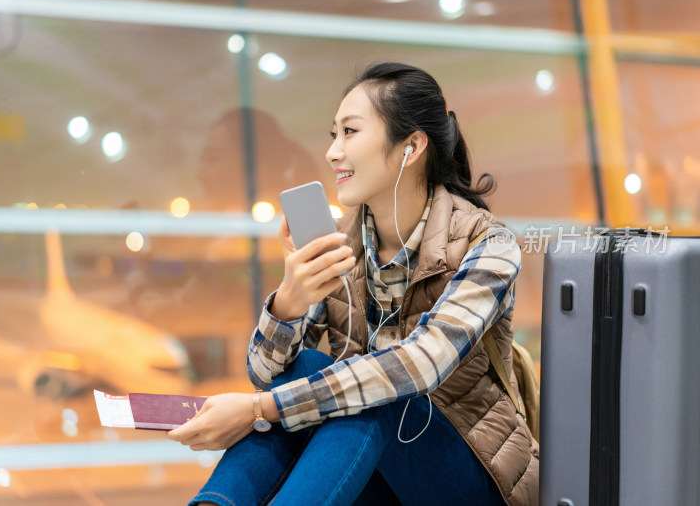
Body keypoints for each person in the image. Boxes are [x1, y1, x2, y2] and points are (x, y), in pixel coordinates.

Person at [168, 62, 539, 506]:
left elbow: (418, 366)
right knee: (308, 367)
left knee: (384, 386)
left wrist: (256, 411)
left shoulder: (489, 244)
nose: (333, 152)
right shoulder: (338, 244)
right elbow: (265, 376)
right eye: (333, 134)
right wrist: (288, 303)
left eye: (350, 132)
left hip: (472, 477)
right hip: (379, 468)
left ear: (411, 146)